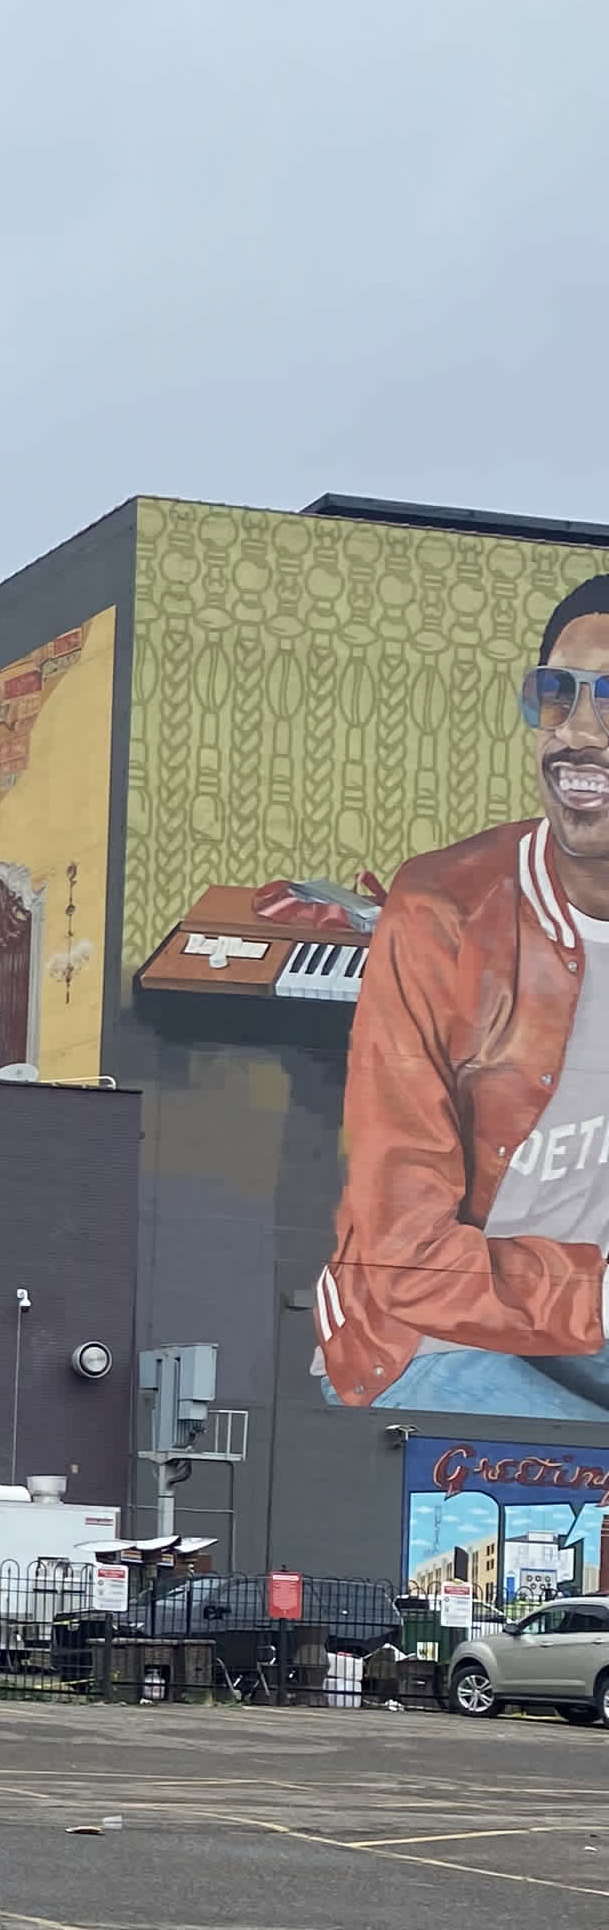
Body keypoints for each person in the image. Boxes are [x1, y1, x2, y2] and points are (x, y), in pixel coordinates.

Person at [320, 572, 609, 1414]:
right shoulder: (442, 908)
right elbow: (403, 1253)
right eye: (554, 697)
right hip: (426, 1327)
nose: (577, 733)